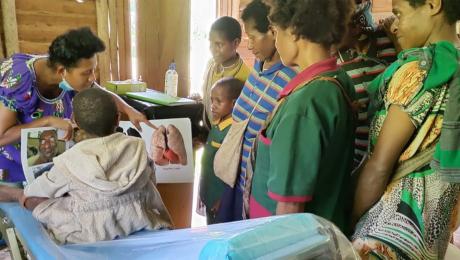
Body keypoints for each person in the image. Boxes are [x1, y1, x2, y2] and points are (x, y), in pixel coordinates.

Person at [352, 0, 460, 258]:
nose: (396, 26)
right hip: (432, 236)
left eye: (399, 14)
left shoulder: (418, 71)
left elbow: (378, 167)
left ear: (433, 5)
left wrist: (350, 217)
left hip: (384, 237)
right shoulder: (453, 66)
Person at [0, 88, 172, 244]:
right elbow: (150, 179)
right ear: (118, 119)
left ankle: (15, 195)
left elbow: (38, 189)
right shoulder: (138, 146)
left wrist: (27, 194)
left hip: (90, 229)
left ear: (76, 123)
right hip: (138, 218)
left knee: (32, 199)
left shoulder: (69, 161)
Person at [248, 0, 356, 233]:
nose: (276, 41)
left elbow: (289, 208)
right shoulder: (336, 80)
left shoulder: (304, 105)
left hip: (292, 240)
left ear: (295, 30)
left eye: (276, 32)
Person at [0, 27, 153, 184]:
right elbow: (2, 136)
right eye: (87, 72)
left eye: (93, 70)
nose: (93, 78)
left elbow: (101, 92)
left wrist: (130, 110)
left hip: (48, 164)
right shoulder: (18, 81)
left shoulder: (65, 70)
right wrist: (48, 121)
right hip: (12, 169)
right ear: (62, 71)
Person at [216, 0, 297, 223]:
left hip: (259, 190)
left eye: (253, 37)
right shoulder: (258, 69)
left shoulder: (289, 80)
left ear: (273, 32)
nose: (249, 45)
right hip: (236, 179)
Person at [337, 0, 398, 169]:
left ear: (355, 26)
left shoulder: (389, 41)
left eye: (335, 27)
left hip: (394, 152)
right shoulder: (334, 63)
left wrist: (396, 42)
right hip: (357, 157)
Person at [198, 77, 244, 224]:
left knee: (218, 232)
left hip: (220, 199)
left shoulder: (232, 131)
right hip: (209, 192)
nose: (212, 106)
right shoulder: (219, 122)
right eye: (211, 100)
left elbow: (233, 171)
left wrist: (223, 199)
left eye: (218, 101)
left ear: (234, 103)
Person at [199, 16, 250, 131]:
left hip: (226, 137)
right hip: (208, 131)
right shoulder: (210, 65)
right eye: (211, 43)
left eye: (219, 44)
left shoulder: (245, 76)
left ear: (236, 43)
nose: (213, 49)